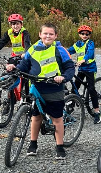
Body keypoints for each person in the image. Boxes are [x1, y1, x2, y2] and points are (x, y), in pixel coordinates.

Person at [6, 23, 75, 160]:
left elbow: (69, 67)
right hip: (36, 87)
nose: (48, 36)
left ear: (55, 36)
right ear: (40, 34)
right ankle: (33, 143)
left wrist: (64, 77)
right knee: (36, 116)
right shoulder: (33, 49)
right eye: (45, 33)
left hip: (54, 88)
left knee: (57, 118)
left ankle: (59, 146)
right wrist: (14, 68)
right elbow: (24, 65)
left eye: (51, 34)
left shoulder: (60, 50)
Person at [67, 25, 101, 124]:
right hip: (81, 68)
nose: (84, 35)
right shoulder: (77, 44)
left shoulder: (90, 43)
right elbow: (68, 51)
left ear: (89, 35)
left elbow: (90, 53)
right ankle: (70, 107)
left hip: (90, 68)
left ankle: (97, 111)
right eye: (82, 34)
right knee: (75, 87)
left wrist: (83, 60)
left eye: (87, 34)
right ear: (79, 34)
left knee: (91, 89)